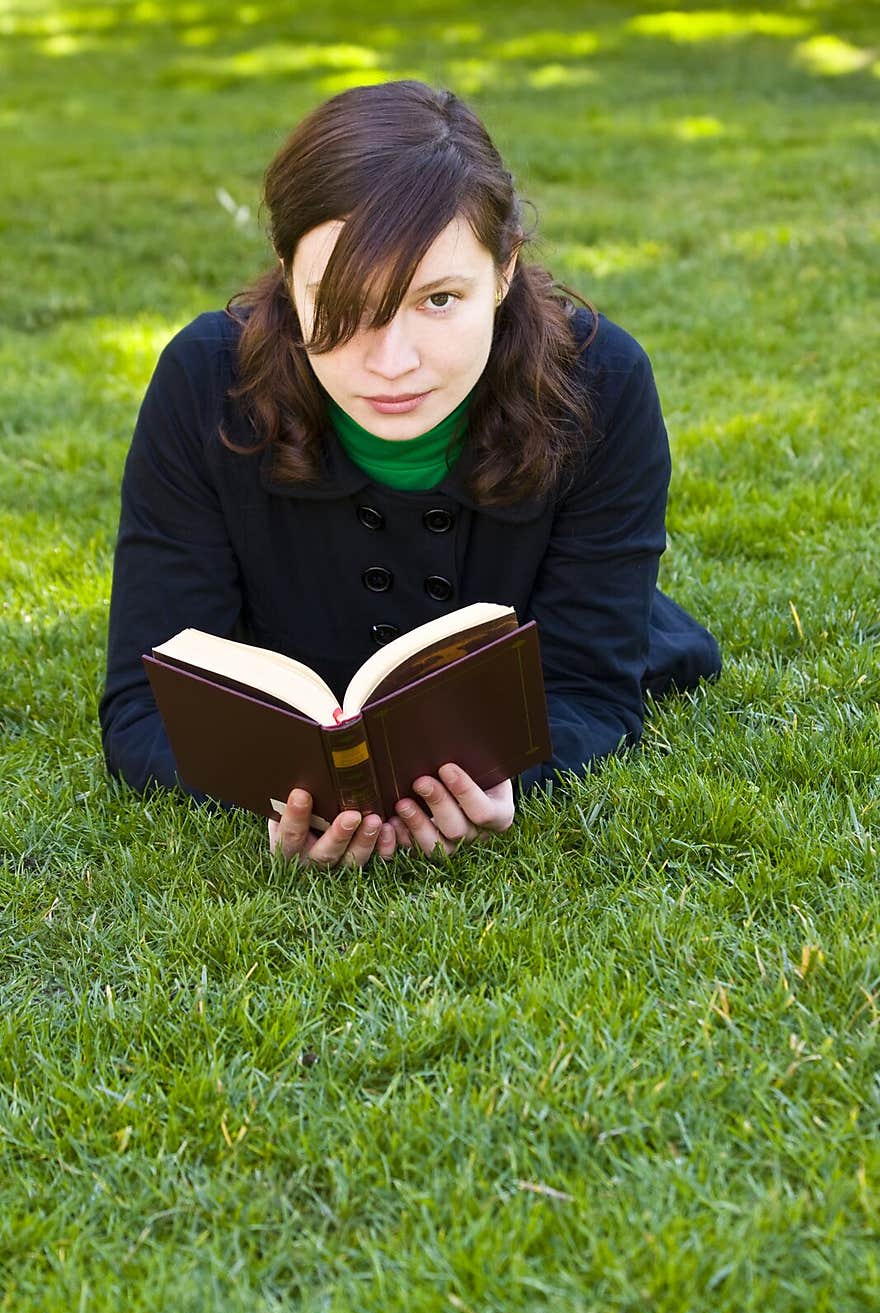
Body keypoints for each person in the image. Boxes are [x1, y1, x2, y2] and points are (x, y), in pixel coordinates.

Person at [99, 79, 721, 870]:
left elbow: (593, 691)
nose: (391, 365)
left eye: (438, 299)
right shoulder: (203, 381)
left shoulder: (603, 382)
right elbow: (144, 706)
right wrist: (265, 796)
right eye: (341, 304)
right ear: (288, 279)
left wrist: (520, 780)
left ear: (503, 272)